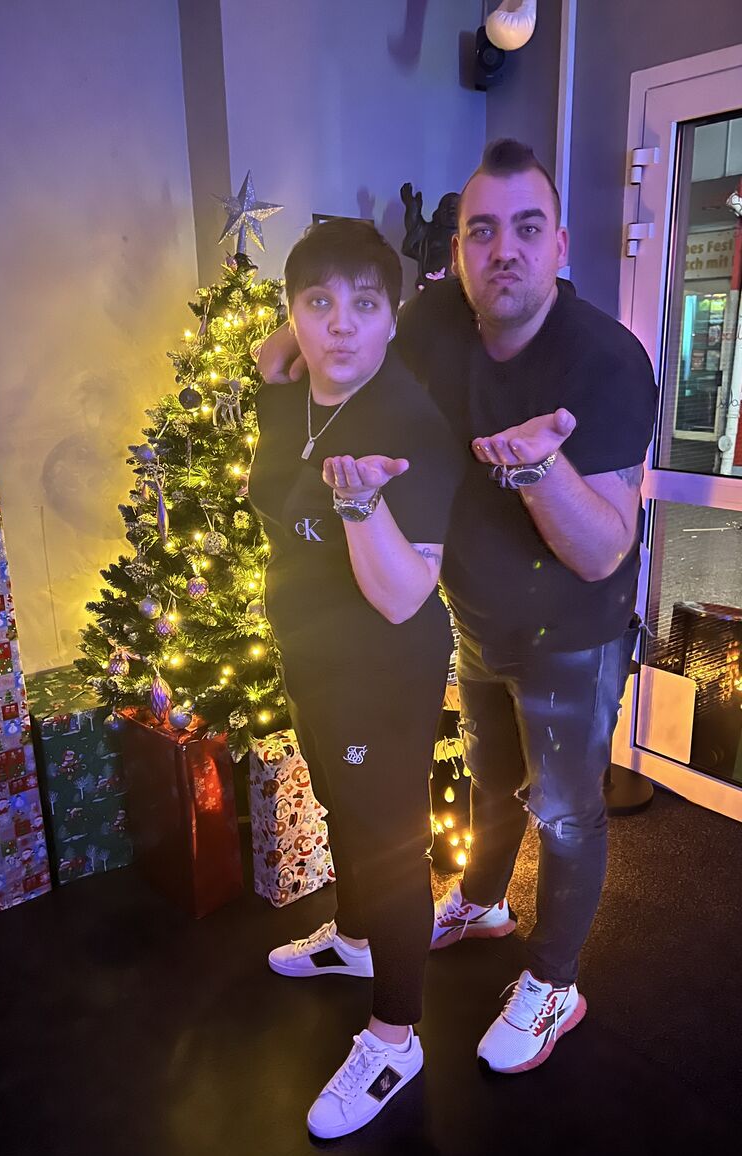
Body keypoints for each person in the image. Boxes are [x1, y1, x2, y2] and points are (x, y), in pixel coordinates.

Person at [256, 140, 657, 1076]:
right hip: (474, 614)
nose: (503, 249)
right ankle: (481, 903)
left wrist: (538, 466)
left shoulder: (608, 361)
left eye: (527, 228)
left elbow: (604, 548)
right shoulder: (436, 317)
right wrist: (287, 340)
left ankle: (553, 982)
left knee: (564, 811)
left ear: (559, 245)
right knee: (490, 778)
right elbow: (346, 322)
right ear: (458, 253)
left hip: (572, 631)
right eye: (483, 231)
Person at [247, 219, 467, 1138]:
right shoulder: (288, 391)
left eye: (364, 305)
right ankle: (354, 938)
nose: (341, 324)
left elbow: (405, 595)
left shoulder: (412, 427)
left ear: (392, 316)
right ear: (294, 313)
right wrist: (283, 345)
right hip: (311, 655)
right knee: (340, 803)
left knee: (387, 842)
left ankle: (395, 1036)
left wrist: (359, 502)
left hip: (382, 669)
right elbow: (271, 364)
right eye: (319, 303)